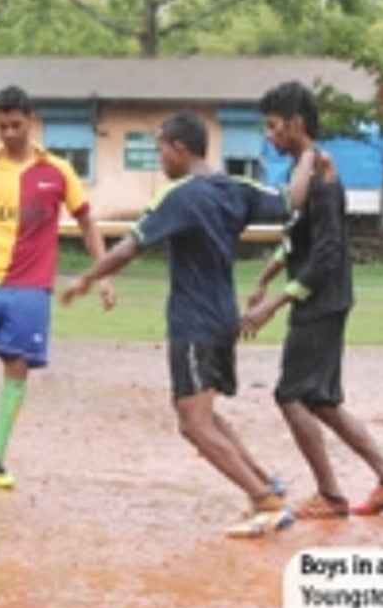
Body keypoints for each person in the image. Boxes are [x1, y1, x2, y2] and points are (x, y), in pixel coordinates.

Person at [60, 110, 313, 538]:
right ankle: (264, 483)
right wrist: (307, 155)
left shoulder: (179, 195)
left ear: (179, 148)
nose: (159, 158)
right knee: (205, 415)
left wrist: (88, 278)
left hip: (193, 321)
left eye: (161, 149)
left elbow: (130, 247)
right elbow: (292, 200)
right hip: (223, 317)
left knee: (193, 424)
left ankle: (265, 502)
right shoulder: (236, 187)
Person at [241, 81, 383, 519]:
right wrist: (264, 279)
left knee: (291, 395)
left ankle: (330, 494)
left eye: (273, 126)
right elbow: (296, 240)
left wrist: (274, 303)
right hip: (320, 299)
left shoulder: (322, 175)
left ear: (296, 124)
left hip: (322, 301)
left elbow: (326, 254)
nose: (269, 135)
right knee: (320, 400)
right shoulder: (304, 170)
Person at [0, 85, 114, 489]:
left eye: (16, 125)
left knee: (16, 366)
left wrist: (103, 273)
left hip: (32, 286)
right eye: (2, 126)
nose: (10, 133)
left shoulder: (58, 171)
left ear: (31, 120)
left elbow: (87, 222)